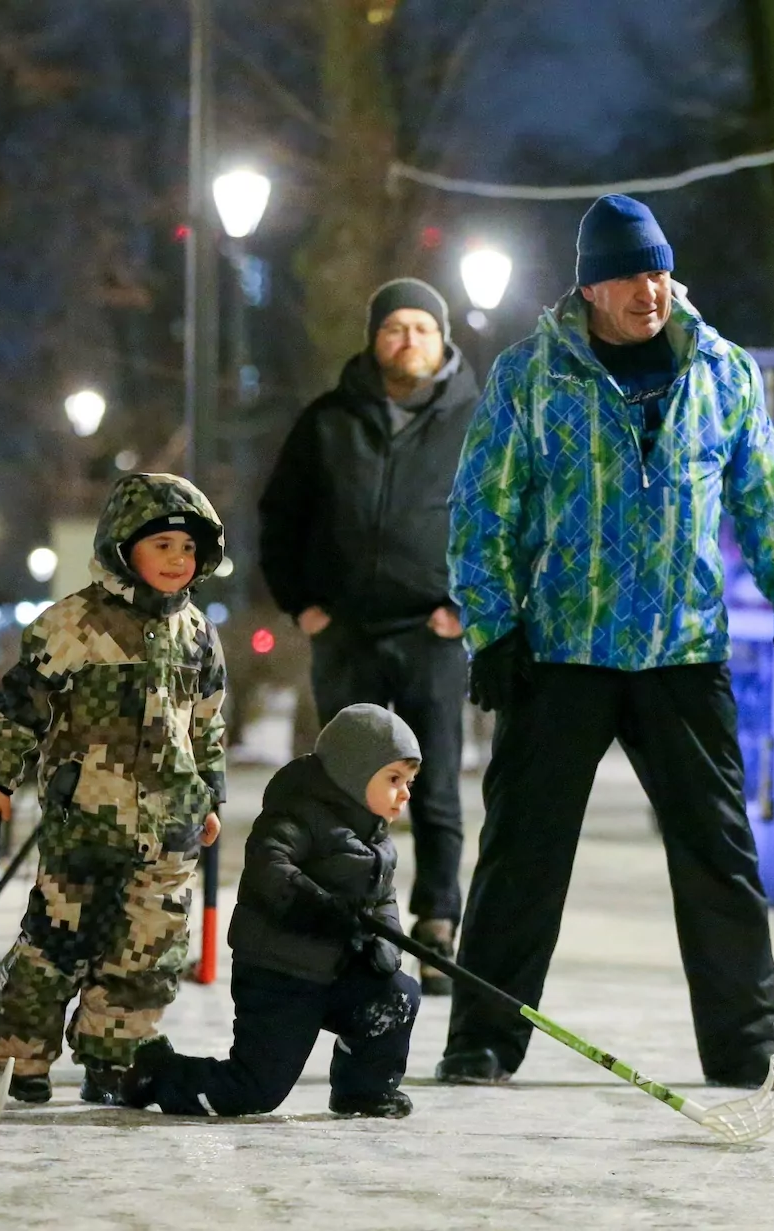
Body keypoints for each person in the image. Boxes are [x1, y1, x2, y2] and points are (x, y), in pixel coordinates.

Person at [439, 194, 774, 1091]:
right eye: (627, 274)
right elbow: (484, 507)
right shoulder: (532, 374)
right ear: (590, 284)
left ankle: (744, 1044)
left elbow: (769, 500)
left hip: (683, 652)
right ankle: (484, 1036)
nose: (647, 289)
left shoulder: (723, 372)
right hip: (563, 650)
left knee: (719, 857)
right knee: (523, 854)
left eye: (656, 269)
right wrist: (492, 625)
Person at [0, 473, 229, 1105]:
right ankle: (21, 1056)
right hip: (86, 821)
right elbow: (18, 708)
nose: (178, 561)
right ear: (124, 545)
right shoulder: (74, 624)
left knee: (148, 950)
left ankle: (113, 1056)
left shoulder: (196, 632)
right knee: (58, 943)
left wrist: (210, 793)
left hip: (169, 824)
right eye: (163, 545)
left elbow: (207, 719)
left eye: (189, 550)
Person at [258, 277, 480, 996]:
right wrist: (303, 603)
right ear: (373, 338)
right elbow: (281, 515)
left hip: (432, 632)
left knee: (437, 783)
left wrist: (467, 604)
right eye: (393, 328)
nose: (407, 338)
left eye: (421, 326)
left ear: (442, 337)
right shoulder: (327, 420)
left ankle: (437, 920)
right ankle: (350, 914)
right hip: (347, 632)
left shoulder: (478, 421)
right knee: (344, 784)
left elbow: (507, 518)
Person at [120, 704, 423, 1119]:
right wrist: (321, 907)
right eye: (393, 779)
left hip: (335, 971)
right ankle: (159, 1073)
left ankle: (363, 1090)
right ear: (353, 774)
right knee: (253, 1092)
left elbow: (382, 899)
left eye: (408, 781)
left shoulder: (376, 839)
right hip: (281, 975)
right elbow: (269, 865)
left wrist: (384, 944)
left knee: (397, 995)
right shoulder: (298, 813)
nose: (405, 792)